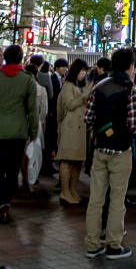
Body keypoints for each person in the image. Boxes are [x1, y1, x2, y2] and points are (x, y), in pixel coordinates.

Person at [83, 50, 136, 257]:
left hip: (100, 148)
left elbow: (88, 117)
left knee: (96, 200)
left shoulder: (99, 86)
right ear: (130, 66)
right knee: (117, 199)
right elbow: (134, 125)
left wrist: (104, 127)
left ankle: (92, 244)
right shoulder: (132, 90)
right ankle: (114, 244)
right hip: (121, 150)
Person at [0, 44, 36, 224]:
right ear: (20, 59)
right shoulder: (27, 79)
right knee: (12, 170)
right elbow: (32, 109)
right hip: (18, 132)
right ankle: (6, 204)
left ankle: (1, 204)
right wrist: (33, 130)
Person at [54, 62, 90, 206]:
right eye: (81, 71)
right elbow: (69, 105)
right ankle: (65, 191)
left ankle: (73, 189)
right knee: (67, 159)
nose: (83, 74)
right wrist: (85, 95)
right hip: (71, 126)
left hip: (81, 126)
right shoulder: (68, 86)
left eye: (85, 71)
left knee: (77, 160)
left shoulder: (81, 86)